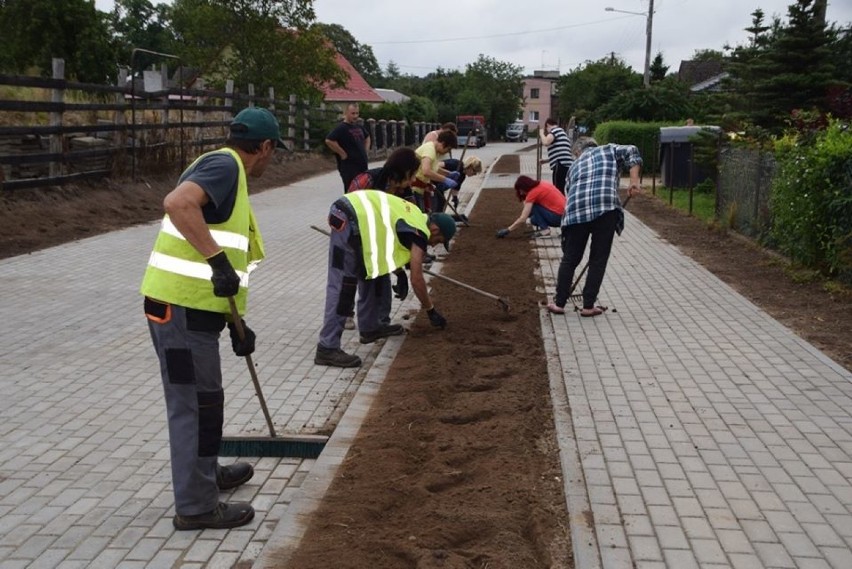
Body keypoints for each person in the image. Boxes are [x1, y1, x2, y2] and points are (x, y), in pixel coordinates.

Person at [140, 107, 285, 530]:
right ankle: (196, 506)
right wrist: (218, 262)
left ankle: (205, 474)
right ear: (265, 147)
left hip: (195, 311)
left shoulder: (221, 166)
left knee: (207, 403)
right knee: (195, 407)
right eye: (273, 152)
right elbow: (176, 203)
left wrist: (235, 324)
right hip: (180, 310)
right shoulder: (226, 165)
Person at [315, 190, 456, 368]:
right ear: (434, 229)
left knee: (375, 273)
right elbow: (417, 278)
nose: (434, 245)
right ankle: (327, 347)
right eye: (438, 240)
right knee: (344, 286)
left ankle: (370, 328)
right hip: (349, 217)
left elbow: (386, 242)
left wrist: (398, 272)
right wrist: (430, 309)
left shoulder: (414, 215)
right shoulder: (420, 231)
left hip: (354, 219)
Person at [546, 137, 642, 317]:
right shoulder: (609, 149)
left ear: (577, 152)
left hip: (576, 213)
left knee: (570, 258)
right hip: (605, 209)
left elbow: (569, 192)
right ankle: (588, 306)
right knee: (598, 258)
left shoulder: (573, 167)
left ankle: (559, 303)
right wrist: (634, 180)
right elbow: (632, 149)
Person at [347, 147, 421, 327]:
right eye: (411, 174)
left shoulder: (406, 194)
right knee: (350, 277)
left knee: (382, 277)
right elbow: (348, 209)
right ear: (403, 170)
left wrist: (401, 269)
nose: (413, 180)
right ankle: (346, 315)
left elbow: (406, 229)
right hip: (354, 234)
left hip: (380, 237)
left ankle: (381, 322)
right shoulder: (367, 181)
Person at [496, 175, 566, 239]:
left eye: (520, 190)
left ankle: (545, 230)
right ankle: (561, 230)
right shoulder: (542, 184)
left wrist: (508, 230)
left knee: (534, 207)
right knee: (533, 220)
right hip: (565, 217)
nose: (521, 193)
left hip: (558, 218)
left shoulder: (533, 193)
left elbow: (523, 218)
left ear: (524, 187)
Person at [324, 102, 371, 193]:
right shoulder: (341, 128)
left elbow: (367, 137)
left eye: (357, 113)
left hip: (362, 166)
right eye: (352, 113)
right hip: (349, 167)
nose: (355, 116)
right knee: (351, 192)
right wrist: (342, 153)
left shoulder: (359, 127)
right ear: (346, 113)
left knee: (362, 191)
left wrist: (366, 151)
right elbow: (329, 140)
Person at [412, 130, 458, 212]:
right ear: (443, 144)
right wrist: (444, 179)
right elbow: (426, 171)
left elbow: (435, 168)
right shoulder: (429, 150)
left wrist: (449, 174)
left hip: (420, 190)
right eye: (448, 149)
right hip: (414, 190)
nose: (447, 152)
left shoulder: (434, 151)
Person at [539, 117, 573, 195]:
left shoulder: (554, 131)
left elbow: (546, 142)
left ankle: (560, 206)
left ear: (547, 125)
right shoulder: (563, 133)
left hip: (560, 165)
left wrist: (541, 134)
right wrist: (546, 161)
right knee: (562, 188)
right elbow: (561, 152)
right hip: (567, 165)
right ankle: (564, 205)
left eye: (546, 129)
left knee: (557, 190)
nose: (547, 132)